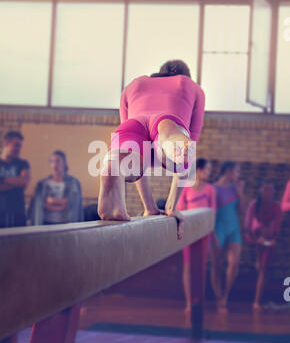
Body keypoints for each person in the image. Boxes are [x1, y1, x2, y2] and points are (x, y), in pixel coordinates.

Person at [97, 59, 205, 239]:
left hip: (133, 125)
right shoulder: (190, 85)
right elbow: (191, 145)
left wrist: (149, 207)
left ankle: (115, 164)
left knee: (132, 157)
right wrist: (171, 207)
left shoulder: (133, 86)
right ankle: (172, 141)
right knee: (177, 146)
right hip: (168, 122)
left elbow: (137, 143)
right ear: (186, 75)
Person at [177, 158, 216, 312]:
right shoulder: (186, 188)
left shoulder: (210, 189)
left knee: (201, 267)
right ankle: (188, 302)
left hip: (204, 233)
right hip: (189, 232)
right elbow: (180, 209)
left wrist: (210, 230)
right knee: (188, 267)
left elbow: (213, 211)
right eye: (207, 169)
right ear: (198, 170)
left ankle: (199, 301)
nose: (209, 172)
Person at [210, 161, 245, 312]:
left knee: (234, 263)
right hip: (218, 229)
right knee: (216, 265)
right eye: (237, 171)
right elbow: (210, 212)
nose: (239, 175)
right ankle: (219, 298)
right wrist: (212, 233)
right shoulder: (213, 188)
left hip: (234, 229)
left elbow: (242, 210)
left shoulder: (235, 187)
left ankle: (225, 296)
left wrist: (240, 192)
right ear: (229, 171)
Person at [244, 179, 282, 312]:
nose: (268, 192)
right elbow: (248, 226)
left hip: (268, 240)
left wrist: (271, 238)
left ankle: (257, 301)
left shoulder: (276, 206)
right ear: (260, 191)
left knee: (264, 268)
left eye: (271, 190)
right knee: (261, 266)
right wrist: (257, 238)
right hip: (254, 238)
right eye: (266, 189)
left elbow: (276, 227)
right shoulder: (254, 205)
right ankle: (256, 300)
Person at [28, 150, 83, 225]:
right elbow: (40, 206)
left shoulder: (74, 183)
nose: (54, 164)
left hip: (66, 224)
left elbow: (72, 204)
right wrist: (61, 203)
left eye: (57, 161)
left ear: (64, 163)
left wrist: (52, 201)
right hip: (45, 224)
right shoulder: (42, 184)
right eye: (52, 161)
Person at [0, 131, 30, 228]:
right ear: (6, 144)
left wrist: (0, 179)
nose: (19, 149)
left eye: (20, 146)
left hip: (18, 211)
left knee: (18, 242)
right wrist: (15, 182)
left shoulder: (23, 163)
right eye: (16, 145)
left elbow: (23, 182)